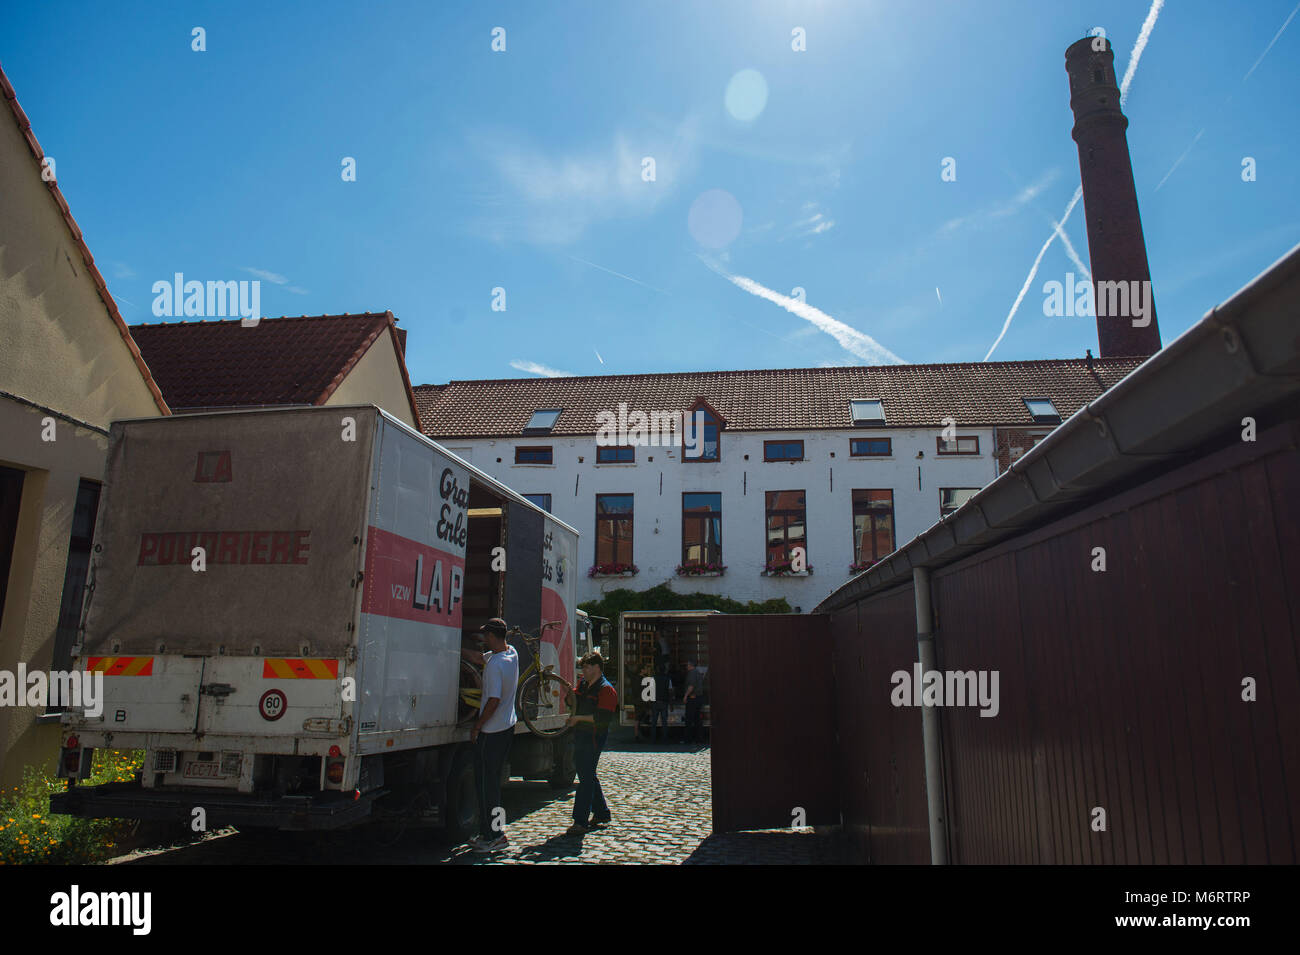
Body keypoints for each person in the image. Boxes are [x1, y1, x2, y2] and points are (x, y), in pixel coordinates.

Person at [459, 617, 518, 852]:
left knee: (487, 787)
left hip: (492, 731)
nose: (483, 639)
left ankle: (495, 835)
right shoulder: (511, 653)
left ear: (492, 637)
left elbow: (493, 700)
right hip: (507, 727)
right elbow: (477, 658)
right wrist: (455, 648)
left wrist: (477, 726)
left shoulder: (495, 665)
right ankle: (492, 831)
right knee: (491, 784)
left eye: (485, 636)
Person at [564, 651, 618, 834]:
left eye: (587, 667)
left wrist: (578, 718)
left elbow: (602, 718)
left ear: (597, 667)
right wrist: (568, 695)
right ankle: (602, 813)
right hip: (581, 735)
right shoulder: (584, 684)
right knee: (587, 774)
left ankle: (580, 821)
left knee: (585, 778)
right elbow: (574, 701)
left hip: (594, 737)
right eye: (583, 667)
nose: (584, 671)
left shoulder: (607, 690)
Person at [682, 659, 706, 745]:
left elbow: (691, 686)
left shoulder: (692, 673)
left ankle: (687, 739)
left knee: (689, 720)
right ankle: (699, 739)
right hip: (699, 698)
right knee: (697, 720)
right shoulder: (698, 673)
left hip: (692, 698)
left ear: (691, 665)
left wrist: (685, 696)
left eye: (687, 665)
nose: (686, 666)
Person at [651, 662, 672, 743]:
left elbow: (651, 690)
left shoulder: (653, 678)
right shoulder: (668, 679)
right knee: (664, 722)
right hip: (664, 702)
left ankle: (653, 739)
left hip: (655, 702)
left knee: (654, 722)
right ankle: (665, 739)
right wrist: (671, 703)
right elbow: (670, 691)